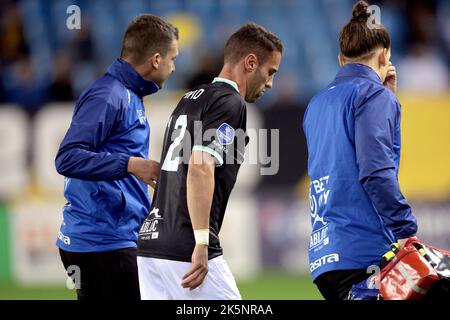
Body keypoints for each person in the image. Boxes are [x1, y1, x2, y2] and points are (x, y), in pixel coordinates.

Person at [136, 23, 283, 300]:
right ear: (251, 63)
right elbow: (200, 166)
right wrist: (202, 242)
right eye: (270, 72)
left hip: (150, 245)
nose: (271, 83)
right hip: (186, 247)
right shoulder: (230, 103)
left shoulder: (189, 100)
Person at [54, 14, 179, 300]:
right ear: (156, 59)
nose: (174, 68)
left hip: (112, 239)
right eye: (173, 59)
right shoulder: (109, 95)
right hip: (103, 243)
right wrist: (132, 165)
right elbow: (68, 158)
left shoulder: (129, 95)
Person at [302, 1, 418, 300]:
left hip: (324, 255)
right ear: (384, 55)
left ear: (342, 60)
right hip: (366, 250)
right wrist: (405, 229)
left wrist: (388, 99)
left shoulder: (316, 104)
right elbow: (375, 170)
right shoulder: (373, 96)